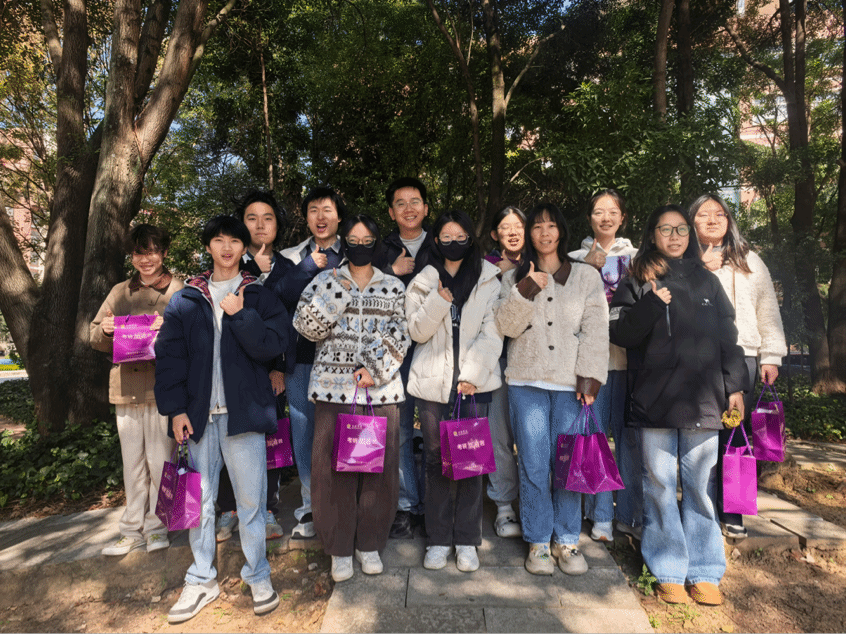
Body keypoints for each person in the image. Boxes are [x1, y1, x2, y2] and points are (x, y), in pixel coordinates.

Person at [609, 204, 747, 607]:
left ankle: (704, 571)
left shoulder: (707, 280)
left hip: (703, 399)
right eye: (665, 229)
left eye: (681, 229)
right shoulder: (636, 278)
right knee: (659, 484)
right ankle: (667, 568)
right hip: (653, 400)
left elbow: (728, 337)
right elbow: (621, 333)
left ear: (690, 235)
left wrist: (735, 386)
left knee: (701, 486)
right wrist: (652, 303)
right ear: (652, 235)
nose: (674, 236)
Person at [155, 216, 290, 623]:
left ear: (244, 247)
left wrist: (241, 314)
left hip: (243, 416)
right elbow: (170, 357)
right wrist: (176, 409)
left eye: (234, 241)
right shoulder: (186, 299)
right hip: (198, 419)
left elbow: (274, 345)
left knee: (251, 502)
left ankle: (258, 574)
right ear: (208, 246)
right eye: (219, 240)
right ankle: (201, 579)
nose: (227, 247)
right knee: (199, 502)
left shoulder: (259, 295)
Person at [293, 214, 410, 583]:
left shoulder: (393, 286)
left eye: (367, 241)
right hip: (333, 390)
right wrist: (336, 290)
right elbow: (306, 328)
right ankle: (340, 548)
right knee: (332, 474)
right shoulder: (324, 280)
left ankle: (370, 544)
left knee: (379, 471)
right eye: (354, 241)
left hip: (380, 391)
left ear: (377, 243)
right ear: (344, 243)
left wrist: (374, 367)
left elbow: (402, 333)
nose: (360, 247)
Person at [496, 203, 608, 577]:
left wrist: (589, 378)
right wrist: (526, 289)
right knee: (533, 462)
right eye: (537, 227)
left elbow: (596, 330)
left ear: (561, 230)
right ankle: (539, 541)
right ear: (529, 234)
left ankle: (568, 538)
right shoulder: (513, 277)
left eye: (551, 226)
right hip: (525, 382)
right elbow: (506, 327)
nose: (544, 233)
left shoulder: (585, 276)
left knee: (568, 463)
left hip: (569, 385)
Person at [406, 210, 503, 572]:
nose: (453, 242)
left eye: (460, 236)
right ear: (435, 241)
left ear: (470, 239)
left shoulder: (488, 278)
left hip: (474, 385)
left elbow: (493, 332)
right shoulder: (423, 279)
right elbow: (416, 330)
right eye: (445, 237)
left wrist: (473, 375)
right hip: (432, 384)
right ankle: (437, 539)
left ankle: (466, 540)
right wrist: (439, 300)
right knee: (435, 461)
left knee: (470, 462)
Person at [690, 193, 787, 541]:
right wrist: (698, 267)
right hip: (696, 358)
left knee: (735, 436)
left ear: (729, 220)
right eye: (703, 214)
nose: (712, 219)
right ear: (691, 221)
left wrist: (771, 355)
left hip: (742, 355)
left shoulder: (750, 261)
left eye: (719, 214)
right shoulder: (683, 260)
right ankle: (699, 510)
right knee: (700, 436)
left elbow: (767, 309)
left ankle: (733, 510)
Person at [90, 224, 183, 556]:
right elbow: (93, 336)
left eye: (153, 251)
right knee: (132, 465)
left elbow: (195, 337)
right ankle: (131, 530)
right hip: (126, 390)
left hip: (163, 391)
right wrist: (105, 330)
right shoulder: (119, 292)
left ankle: (158, 528)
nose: (146, 259)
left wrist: (168, 329)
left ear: (164, 253)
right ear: (131, 257)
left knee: (160, 462)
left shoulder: (179, 290)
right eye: (139, 253)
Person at [216, 190, 290, 542]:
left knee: (271, 436)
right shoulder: (227, 265)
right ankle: (229, 508)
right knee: (228, 436)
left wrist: (279, 367)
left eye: (268, 218)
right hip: (230, 372)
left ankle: (269, 507)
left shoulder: (290, 267)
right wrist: (252, 272)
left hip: (270, 369)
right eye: (251, 218)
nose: (260, 225)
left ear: (277, 224)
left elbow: (288, 323)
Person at [568, 188, 641, 543]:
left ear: (623, 218)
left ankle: (628, 515)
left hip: (630, 363)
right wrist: (586, 268)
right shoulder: (573, 259)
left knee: (629, 441)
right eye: (599, 211)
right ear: (589, 218)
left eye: (613, 211)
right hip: (590, 365)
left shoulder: (638, 259)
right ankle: (599, 516)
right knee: (593, 437)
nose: (606, 217)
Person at [275, 187, 345, 541]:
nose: (320, 216)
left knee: (340, 430)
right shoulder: (290, 258)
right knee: (303, 431)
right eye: (313, 210)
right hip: (301, 359)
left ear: (339, 216)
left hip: (343, 362)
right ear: (306, 218)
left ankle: (341, 504)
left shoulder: (353, 253)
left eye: (327, 209)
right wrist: (306, 268)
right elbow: (276, 299)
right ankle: (311, 504)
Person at [373, 176, 437, 539]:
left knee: (433, 432)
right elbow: (365, 289)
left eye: (415, 202)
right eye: (400, 203)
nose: (408, 208)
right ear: (391, 212)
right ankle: (406, 505)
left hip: (434, 350)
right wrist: (390, 272)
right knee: (396, 432)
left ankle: (433, 505)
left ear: (426, 208)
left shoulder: (442, 242)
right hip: (393, 354)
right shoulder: (380, 249)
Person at [483, 206, 525, 538]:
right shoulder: (484, 266)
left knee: (532, 436)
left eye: (518, 226)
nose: (512, 232)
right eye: (505, 227)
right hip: (496, 359)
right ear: (495, 234)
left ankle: (535, 503)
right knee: (498, 435)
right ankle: (504, 506)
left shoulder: (542, 263)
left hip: (532, 362)